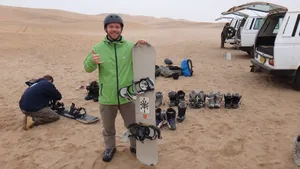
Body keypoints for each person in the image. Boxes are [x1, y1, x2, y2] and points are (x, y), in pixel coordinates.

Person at [83, 13, 147, 162]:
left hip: (127, 96)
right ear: (106, 29)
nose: (114, 29)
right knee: (108, 128)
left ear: (121, 29)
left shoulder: (130, 46)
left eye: (117, 27)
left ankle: (135, 146)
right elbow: (87, 68)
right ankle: (110, 148)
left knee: (132, 124)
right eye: (111, 27)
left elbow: (143, 58)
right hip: (107, 97)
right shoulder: (97, 48)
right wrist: (92, 61)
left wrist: (142, 46)